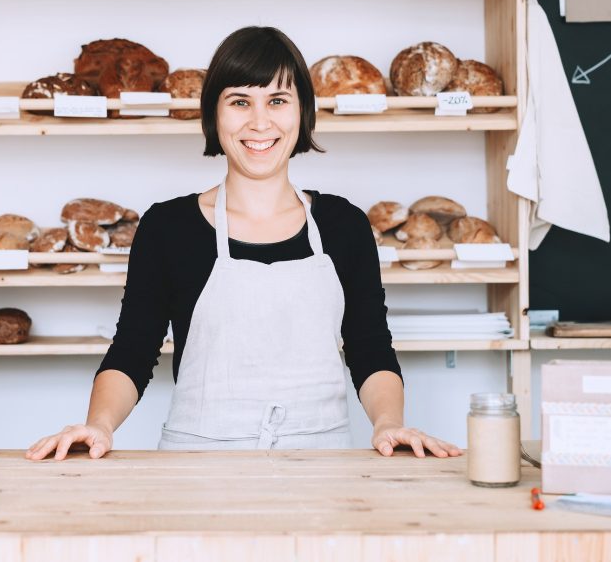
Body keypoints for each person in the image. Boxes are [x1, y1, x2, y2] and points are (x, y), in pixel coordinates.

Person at [27, 26, 462, 460]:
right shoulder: (168, 227)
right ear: (214, 115)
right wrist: (98, 425)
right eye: (240, 102)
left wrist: (389, 424)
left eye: (278, 101)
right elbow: (132, 352)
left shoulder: (343, 225)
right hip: (196, 468)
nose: (260, 122)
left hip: (322, 468)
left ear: (303, 112)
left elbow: (371, 350)